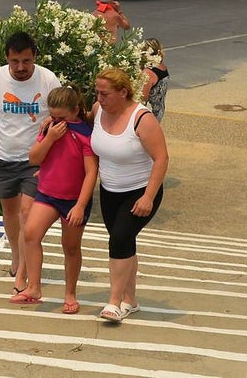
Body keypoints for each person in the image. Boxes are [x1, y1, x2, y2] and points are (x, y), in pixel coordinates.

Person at [0, 32, 62, 294]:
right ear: (7, 58)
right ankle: (17, 256)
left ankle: (23, 270)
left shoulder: (48, 79)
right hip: (5, 156)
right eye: (15, 61)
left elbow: (62, 114)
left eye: (26, 61)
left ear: (35, 58)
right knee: (9, 213)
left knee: (27, 213)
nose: (20, 68)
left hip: (35, 160)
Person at [89, 67, 169, 322]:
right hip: (109, 191)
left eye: (105, 94)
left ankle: (114, 302)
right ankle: (130, 300)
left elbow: (161, 158)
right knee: (124, 242)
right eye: (97, 93)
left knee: (119, 240)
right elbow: (79, 124)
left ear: (123, 92)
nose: (100, 98)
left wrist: (148, 197)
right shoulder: (97, 109)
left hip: (140, 192)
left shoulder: (142, 119)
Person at [11, 86, 98, 315]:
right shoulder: (50, 127)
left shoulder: (85, 135)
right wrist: (49, 137)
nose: (57, 121)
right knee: (30, 233)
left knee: (70, 247)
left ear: (76, 110)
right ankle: (34, 287)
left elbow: (91, 173)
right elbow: (34, 158)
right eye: (53, 115)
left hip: (73, 199)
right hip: (47, 193)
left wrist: (80, 205)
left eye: (62, 116)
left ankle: (70, 293)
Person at [140, 38, 170, 121]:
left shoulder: (148, 73)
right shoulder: (163, 67)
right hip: (159, 111)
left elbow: (142, 99)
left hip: (148, 114)